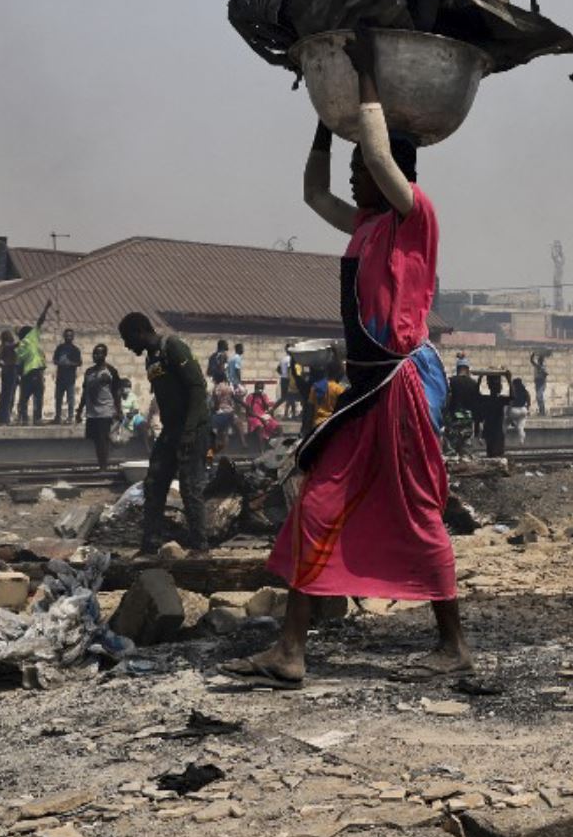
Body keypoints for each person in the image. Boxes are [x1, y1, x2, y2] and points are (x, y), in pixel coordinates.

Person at [225, 36, 466, 689]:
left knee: (419, 509)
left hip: (403, 385)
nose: (355, 179)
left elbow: (384, 153)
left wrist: (362, 75)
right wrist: (321, 114)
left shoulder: (415, 214)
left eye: (362, 169)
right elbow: (311, 192)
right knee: (316, 505)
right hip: (365, 392)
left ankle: (453, 643)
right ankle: (290, 650)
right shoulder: (363, 226)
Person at [118, 312, 210, 554]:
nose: (127, 346)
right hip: (171, 431)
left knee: (190, 487)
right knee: (154, 483)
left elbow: (197, 389)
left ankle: (200, 547)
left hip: (192, 428)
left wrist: (190, 432)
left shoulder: (173, 347)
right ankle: (150, 544)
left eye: (127, 339)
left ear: (139, 332)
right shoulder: (150, 359)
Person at [76, 343, 124, 468]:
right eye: (94, 353)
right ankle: (102, 463)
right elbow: (84, 392)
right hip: (92, 412)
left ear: (105, 355)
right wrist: (79, 411)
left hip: (105, 411)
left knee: (103, 440)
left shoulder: (110, 371)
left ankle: (103, 467)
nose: (96, 356)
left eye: (99, 353)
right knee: (97, 440)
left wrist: (119, 410)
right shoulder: (89, 372)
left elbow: (116, 392)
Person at [14, 301, 53, 425]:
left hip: (26, 374)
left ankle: (24, 419)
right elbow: (40, 322)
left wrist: (19, 376)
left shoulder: (19, 346)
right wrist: (46, 308)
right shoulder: (32, 337)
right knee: (38, 396)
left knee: (24, 398)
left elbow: (18, 364)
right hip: (37, 372)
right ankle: (37, 419)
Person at [49, 329, 82, 423]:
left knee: (70, 399)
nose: (68, 337)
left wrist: (69, 363)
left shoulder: (75, 350)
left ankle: (70, 417)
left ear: (73, 337)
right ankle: (57, 417)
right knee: (58, 398)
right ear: (64, 336)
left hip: (70, 379)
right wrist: (60, 362)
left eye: (70, 336)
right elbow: (54, 360)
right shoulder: (60, 348)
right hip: (60, 378)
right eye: (67, 335)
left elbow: (79, 363)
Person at [244, 380, 280, 450]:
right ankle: (262, 449)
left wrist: (264, 400)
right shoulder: (250, 397)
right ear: (255, 388)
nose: (259, 390)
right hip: (254, 417)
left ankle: (278, 447)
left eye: (261, 389)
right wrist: (260, 418)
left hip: (263, 416)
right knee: (260, 427)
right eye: (258, 388)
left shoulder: (264, 396)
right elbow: (249, 411)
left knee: (279, 427)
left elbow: (266, 408)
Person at [480, 373, 508, 458]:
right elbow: (512, 396)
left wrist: (480, 378)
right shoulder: (501, 399)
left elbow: (476, 394)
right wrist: (509, 379)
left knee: (491, 454)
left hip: (490, 431)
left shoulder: (486, 399)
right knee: (497, 455)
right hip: (497, 432)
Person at [0, 330, 18, 425]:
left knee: (4, 396)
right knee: (9, 396)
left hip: (5, 372)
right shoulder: (8, 347)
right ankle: (6, 419)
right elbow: (15, 345)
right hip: (11, 372)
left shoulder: (2, 347)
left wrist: (4, 366)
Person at [507, 375, 531, 445]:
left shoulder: (513, 391)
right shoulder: (525, 391)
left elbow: (510, 403)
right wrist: (527, 408)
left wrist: (508, 412)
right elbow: (529, 401)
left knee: (506, 421)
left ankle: (512, 422)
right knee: (521, 427)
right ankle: (521, 440)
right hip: (523, 410)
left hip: (514, 410)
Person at [276, 342, 297, 417]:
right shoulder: (290, 359)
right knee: (289, 397)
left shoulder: (283, 359)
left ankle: (288, 414)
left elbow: (278, 369)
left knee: (287, 398)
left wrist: (283, 374)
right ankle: (291, 415)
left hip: (283, 379)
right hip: (288, 380)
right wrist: (290, 380)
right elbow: (289, 370)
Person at [530, 350, 550, 418]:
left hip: (541, 383)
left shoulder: (543, 367)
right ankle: (541, 411)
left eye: (540, 360)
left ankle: (543, 411)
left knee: (539, 396)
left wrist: (542, 371)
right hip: (537, 382)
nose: (539, 361)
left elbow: (546, 374)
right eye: (538, 360)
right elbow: (532, 361)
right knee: (538, 397)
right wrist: (533, 354)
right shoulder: (537, 365)